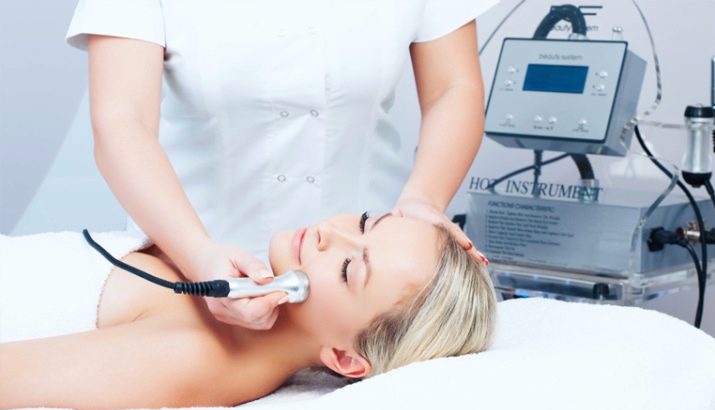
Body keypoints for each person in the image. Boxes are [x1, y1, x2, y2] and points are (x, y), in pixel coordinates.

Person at [64, 0, 496, 329]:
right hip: (188, 273)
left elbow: (452, 87)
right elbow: (122, 121)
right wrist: (199, 258)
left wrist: (424, 199)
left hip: (365, 306)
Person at [0, 212, 496, 410]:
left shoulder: (203, 358)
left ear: (346, 359)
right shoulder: (220, 280)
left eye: (350, 268)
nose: (330, 234)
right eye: (366, 221)